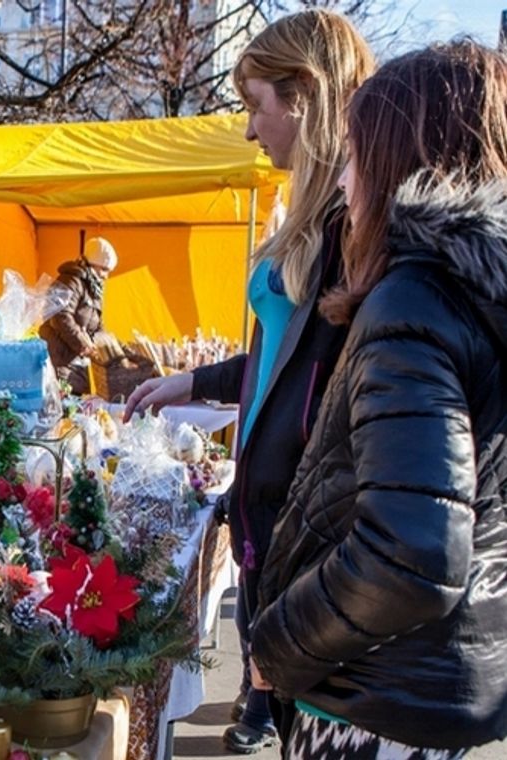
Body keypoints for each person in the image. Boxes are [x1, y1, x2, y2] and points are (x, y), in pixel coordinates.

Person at [122, 10, 373, 753]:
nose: (247, 129)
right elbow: (275, 368)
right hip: (275, 522)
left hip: (309, 538)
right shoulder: (313, 220)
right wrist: (189, 381)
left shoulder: (349, 230)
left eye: (255, 104)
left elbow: (325, 400)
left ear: (306, 97)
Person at [248, 40, 507, 759]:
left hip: (378, 698)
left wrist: (278, 646)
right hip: (447, 688)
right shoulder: (475, 292)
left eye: (358, 157)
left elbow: (411, 554)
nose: (343, 183)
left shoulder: (413, 300)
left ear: (401, 165)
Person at [38, 236, 117, 395]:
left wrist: (107, 345)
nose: (106, 276)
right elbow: (60, 316)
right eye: (104, 269)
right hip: (59, 360)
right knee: (62, 408)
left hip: (75, 362)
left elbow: (98, 325)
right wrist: (83, 344)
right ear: (92, 263)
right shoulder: (71, 281)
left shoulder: (93, 288)